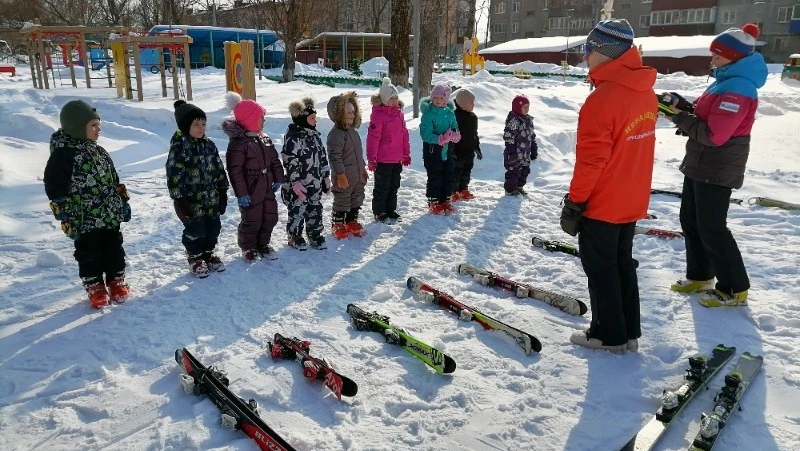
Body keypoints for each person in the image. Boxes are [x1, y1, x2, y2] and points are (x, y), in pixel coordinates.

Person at [561, 19, 657, 353]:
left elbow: (591, 162)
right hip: (631, 197)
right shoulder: (644, 91)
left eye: (588, 50)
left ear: (605, 53)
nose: (585, 57)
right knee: (621, 264)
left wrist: (576, 201)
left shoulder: (603, 100)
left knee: (601, 269)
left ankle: (607, 335)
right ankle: (628, 331)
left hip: (604, 202)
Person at [663, 23, 766, 308]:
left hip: (718, 166)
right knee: (691, 221)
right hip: (700, 162)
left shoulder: (739, 87)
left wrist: (678, 118)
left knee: (712, 228)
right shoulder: (723, 80)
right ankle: (700, 275)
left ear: (734, 57)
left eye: (717, 56)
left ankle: (734, 288)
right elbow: (706, 114)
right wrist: (684, 107)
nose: (712, 61)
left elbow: (715, 135)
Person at [44, 100, 132, 309]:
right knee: (89, 252)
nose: (98, 129)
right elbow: (54, 187)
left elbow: (113, 178)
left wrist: (121, 201)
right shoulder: (63, 155)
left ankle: (116, 280)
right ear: (76, 127)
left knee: (114, 247)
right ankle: (95, 285)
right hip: (83, 217)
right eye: (93, 125)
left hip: (109, 214)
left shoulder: (99, 151)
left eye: (98, 124)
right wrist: (65, 214)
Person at [167, 100, 230, 277]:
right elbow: (173, 174)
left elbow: (218, 168)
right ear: (186, 125)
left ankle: (208, 255)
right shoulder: (180, 147)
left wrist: (223, 190)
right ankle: (195, 257)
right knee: (196, 229)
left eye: (203, 123)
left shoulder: (209, 145)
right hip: (191, 200)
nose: (201, 128)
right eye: (196, 124)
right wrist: (179, 199)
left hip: (211, 197)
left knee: (214, 228)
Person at [222, 92, 285, 263]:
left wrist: (279, 178)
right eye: (260, 117)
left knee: (270, 217)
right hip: (251, 189)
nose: (264, 120)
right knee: (252, 219)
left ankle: (263, 244)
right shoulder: (238, 144)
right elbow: (235, 170)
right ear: (249, 120)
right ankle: (248, 247)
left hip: (267, 186)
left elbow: (274, 161)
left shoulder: (265, 139)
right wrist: (241, 193)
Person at [282, 97, 331, 250]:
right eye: (312, 118)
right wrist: (294, 182)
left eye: (315, 117)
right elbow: (290, 161)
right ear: (303, 119)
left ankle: (315, 234)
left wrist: (326, 176)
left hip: (315, 183)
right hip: (300, 186)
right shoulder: (293, 138)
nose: (315, 121)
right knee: (297, 210)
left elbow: (323, 156)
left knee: (315, 209)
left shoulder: (315, 136)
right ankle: (294, 236)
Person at [366, 77, 411, 224]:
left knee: (394, 186)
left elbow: (404, 135)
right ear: (384, 100)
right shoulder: (378, 115)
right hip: (383, 159)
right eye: (391, 98)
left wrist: (406, 153)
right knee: (382, 187)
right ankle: (380, 211)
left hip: (396, 158)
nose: (395, 101)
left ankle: (391, 209)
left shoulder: (399, 114)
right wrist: (372, 158)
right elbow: (373, 138)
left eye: (396, 98)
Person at [327, 91, 368, 239]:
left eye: (353, 111)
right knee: (342, 199)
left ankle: (351, 220)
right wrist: (340, 174)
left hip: (357, 175)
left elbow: (358, 154)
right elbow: (334, 157)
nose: (351, 115)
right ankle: (337, 224)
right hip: (343, 176)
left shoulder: (353, 132)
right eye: (347, 112)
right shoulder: (335, 134)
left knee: (357, 197)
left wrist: (362, 169)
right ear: (338, 114)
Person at [420, 83, 460, 214]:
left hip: (447, 150)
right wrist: (440, 139)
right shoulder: (428, 114)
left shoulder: (450, 114)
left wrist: (455, 135)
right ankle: (434, 201)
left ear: (446, 100)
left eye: (441, 98)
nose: (437, 100)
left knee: (448, 174)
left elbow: (455, 127)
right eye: (435, 97)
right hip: (433, 150)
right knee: (435, 175)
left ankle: (445, 200)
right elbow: (425, 134)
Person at [503, 95, 537, 196]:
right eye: (524, 107)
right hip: (515, 153)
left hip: (525, 153)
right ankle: (510, 190)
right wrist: (511, 151)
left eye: (528, 106)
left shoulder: (528, 120)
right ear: (518, 107)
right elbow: (508, 136)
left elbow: (531, 136)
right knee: (514, 172)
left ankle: (519, 187)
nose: (527, 109)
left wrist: (534, 148)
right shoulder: (514, 121)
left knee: (525, 171)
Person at [451, 88, 482, 201]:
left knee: (466, 173)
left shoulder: (473, 117)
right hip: (457, 153)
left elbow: (474, 134)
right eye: (471, 102)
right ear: (463, 103)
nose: (473, 105)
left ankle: (463, 189)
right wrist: (451, 150)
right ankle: (453, 191)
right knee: (456, 174)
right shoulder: (454, 117)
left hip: (469, 152)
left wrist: (477, 148)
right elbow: (451, 135)